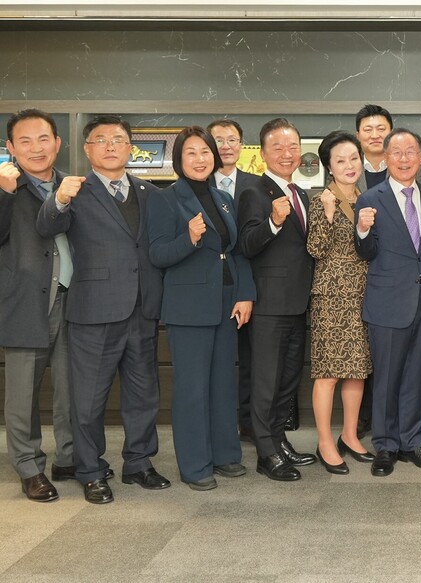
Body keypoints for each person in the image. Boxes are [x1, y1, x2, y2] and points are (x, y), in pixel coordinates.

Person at [36, 115, 168, 504]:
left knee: (144, 394)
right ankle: (90, 470)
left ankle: (140, 462)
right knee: (89, 399)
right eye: (101, 140)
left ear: (131, 148)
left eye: (119, 140)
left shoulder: (148, 191)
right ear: (87, 149)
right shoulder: (73, 189)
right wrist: (58, 199)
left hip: (142, 308)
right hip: (94, 310)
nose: (111, 146)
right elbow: (47, 226)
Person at [146, 126, 254, 490]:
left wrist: (245, 294)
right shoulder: (165, 198)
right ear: (178, 159)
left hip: (225, 303)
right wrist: (188, 240)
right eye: (191, 152)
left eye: (205, 152)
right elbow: (157, 253)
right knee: (192, 389)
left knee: (223, 384)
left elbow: (236, 252)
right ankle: (194, 466)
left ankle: (225, 455)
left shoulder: (223, 198)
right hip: (188, 307)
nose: (200, 159)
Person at [355, 128, 421, 477]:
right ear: (385, 158)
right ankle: (386, 445)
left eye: (411, 152)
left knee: (414, 377)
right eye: (397, 153)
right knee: (387, 377)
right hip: (388, 301)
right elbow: (366, 251)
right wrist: (361, 230)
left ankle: (412, 442)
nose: (404, 159)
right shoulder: (370, 199)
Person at [0, 109, 74, 502]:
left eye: (43, 139)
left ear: (58, 142)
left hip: (73, 301)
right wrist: (3, 192)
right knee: (22, 394)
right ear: (10, 148)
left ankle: (69, 457)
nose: (36, 148)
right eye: (24, 141)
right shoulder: (4, 186)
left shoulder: (73, 184)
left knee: (71, 387)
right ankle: (29, 468)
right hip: (25, 303)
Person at [237, 118, 317, 481]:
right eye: (278, 148)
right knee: (266, 381)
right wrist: (272, 221)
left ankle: (279, 440)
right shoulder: (255, 193)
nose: (287, 154)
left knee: (287, 380)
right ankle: (266, 452)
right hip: (269, 303)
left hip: (298, 302)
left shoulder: (301, 193)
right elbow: (247, 244)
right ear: (263, 153)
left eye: (292, 147)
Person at [306, 130, 374, 475]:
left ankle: (349, 434)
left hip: (363, 294)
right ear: (329, 167)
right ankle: (324, 441)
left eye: (354, 159)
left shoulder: (365, 197)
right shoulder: (322, 199)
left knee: (357, 370)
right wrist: (330, 216)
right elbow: (314, 249)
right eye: (341, 161)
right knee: (328, 372)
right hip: (332, 297)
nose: (349, 166)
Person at [208, 118, 264, 442]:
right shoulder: (199, 185)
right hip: (214, 285)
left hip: (253, 284)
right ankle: (220, 422)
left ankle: (247, 423)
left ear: (242, 146)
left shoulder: (257, 184)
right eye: (218, 140)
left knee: (251, 359)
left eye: (232, 140)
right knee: (219, 359)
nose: (225, 146)